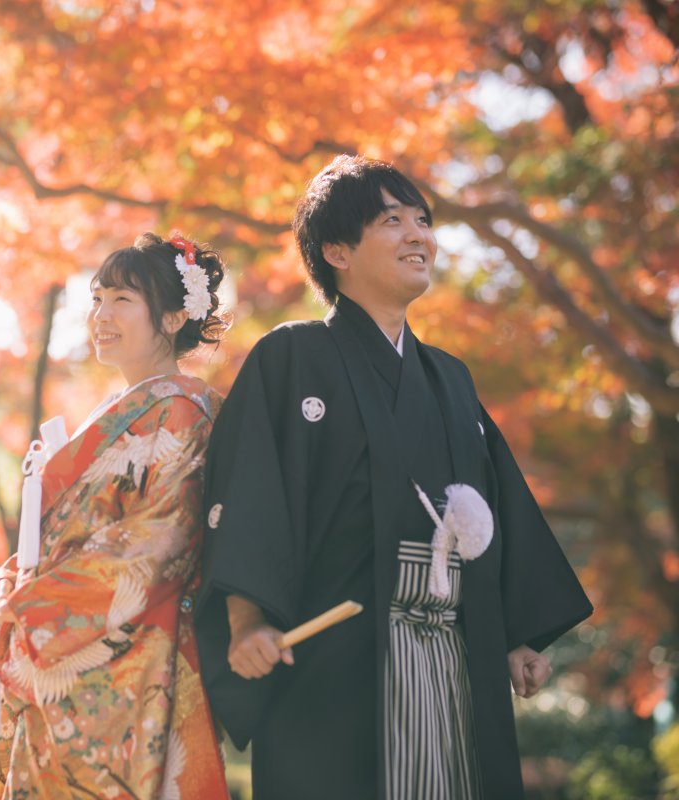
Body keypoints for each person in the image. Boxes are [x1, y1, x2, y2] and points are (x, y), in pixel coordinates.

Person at [194, 155, 593, 799]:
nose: (419, 235)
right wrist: (246, 622)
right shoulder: (292, 357)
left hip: (455, 657)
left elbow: (498, 507)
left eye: (423, 221)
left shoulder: (450, 378)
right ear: (337, 251)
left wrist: (514, 633)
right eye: (392, 221)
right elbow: (250, 493)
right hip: (336, 662)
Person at [0, 232, 233, 799]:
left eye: (122, 300)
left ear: (171, 318)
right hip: (68, 655)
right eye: (97, 298)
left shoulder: (184, 408)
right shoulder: (117, 410)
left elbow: (162, 539)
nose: (100, 315)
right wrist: (12, 581)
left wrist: (36, 604)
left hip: (133, 651)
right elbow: (65, 537)